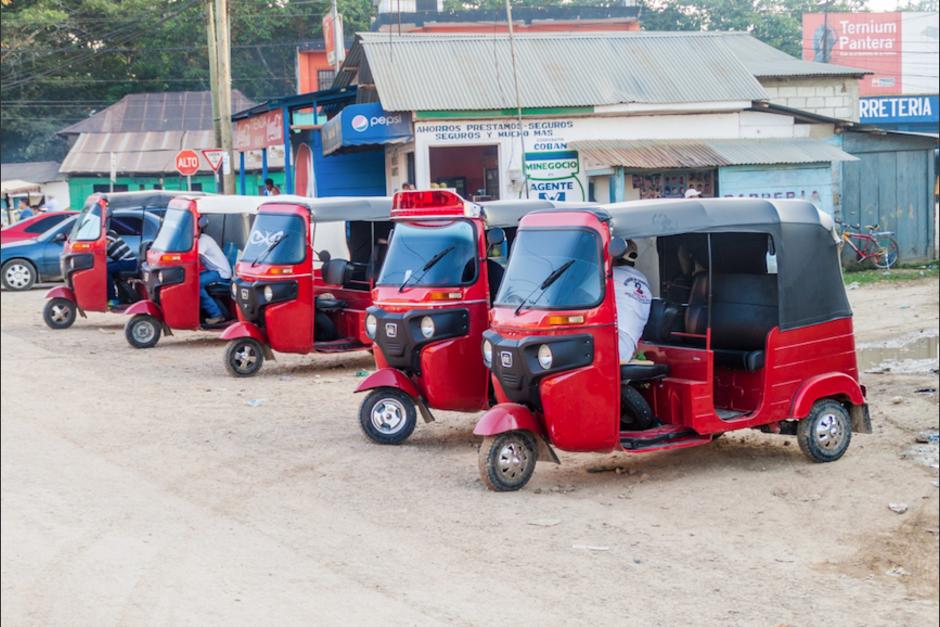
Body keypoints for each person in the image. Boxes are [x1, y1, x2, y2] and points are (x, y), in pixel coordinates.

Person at [613, 239, 652, 363]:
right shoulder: (643, 279)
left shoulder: (610, 275)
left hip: (614, 345)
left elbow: (577, 296)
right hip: (627, 348)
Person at [196, 217, 232, 324]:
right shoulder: (201, 239)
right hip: (214, 271)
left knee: (195, 284)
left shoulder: (203, 241)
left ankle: (216, 314)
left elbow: (195, 259)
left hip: (221, 273)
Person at [105, 214, 138, 308]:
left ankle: (112, 299)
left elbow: (103, 246)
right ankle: (120, 296)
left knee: (105, 270)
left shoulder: (111, 234)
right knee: (106, 267)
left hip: (129, 262)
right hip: (124, 261)